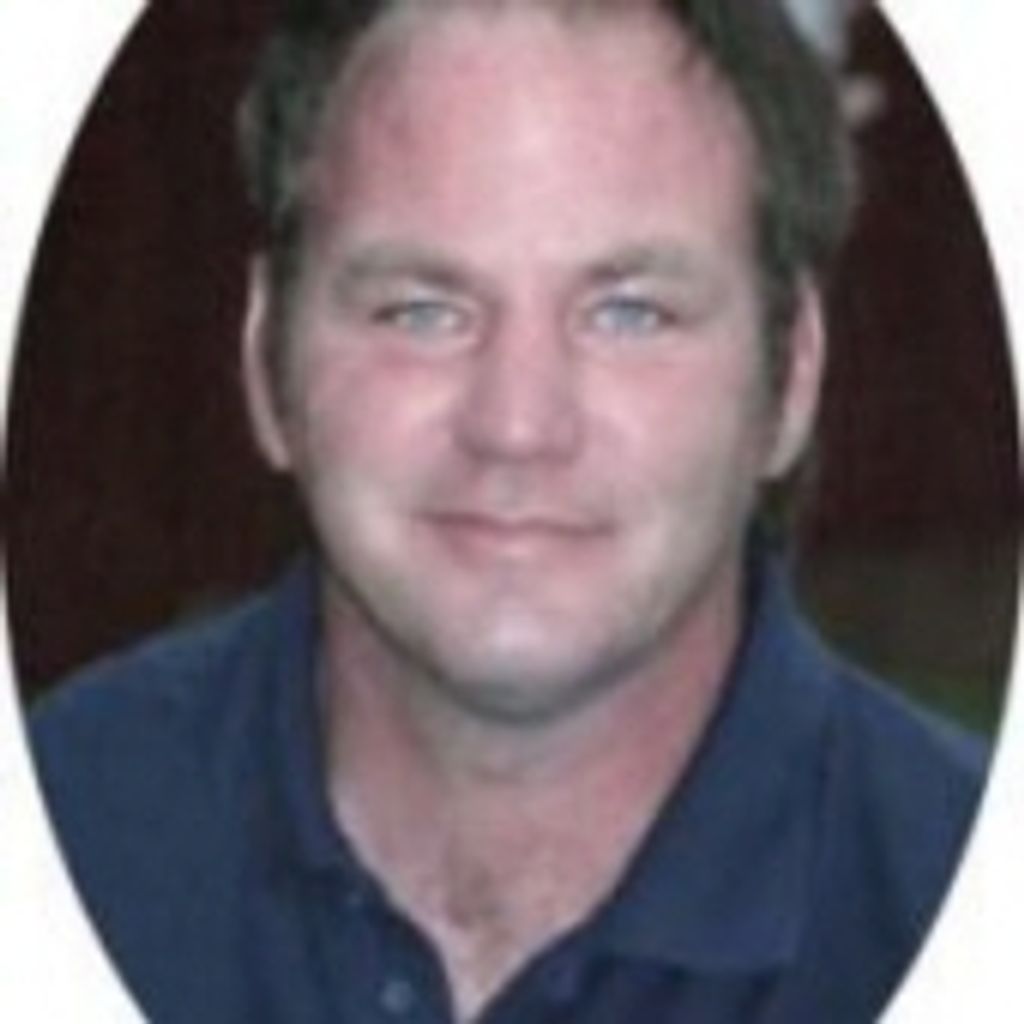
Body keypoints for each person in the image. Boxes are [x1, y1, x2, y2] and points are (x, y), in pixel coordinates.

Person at [30, 1, 985, 1021]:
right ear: (266, 361)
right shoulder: (64, 822)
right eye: (421, 310)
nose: (517, 426)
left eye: (629, 312)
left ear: (790, 379)